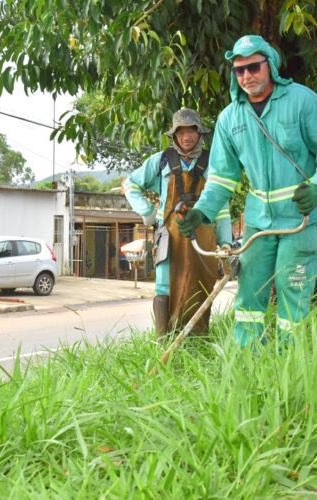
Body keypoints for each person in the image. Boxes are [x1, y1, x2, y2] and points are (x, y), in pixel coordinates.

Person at [176, 35, 317, 347]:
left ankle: (290, 370)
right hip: (258, 222)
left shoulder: (303, 101)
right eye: (239, 71)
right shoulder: (230, 118)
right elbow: (222, 177)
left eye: (253, 67)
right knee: (249, 293)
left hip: (302, 218)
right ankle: (247, 364)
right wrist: (202, 211)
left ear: (271, 65)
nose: (246, 76)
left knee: (292, 292)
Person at [124, 109, 232, 339]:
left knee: (202, 286)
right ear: (174, 135)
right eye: (181, 131)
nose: (186, 136)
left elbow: (222, 206)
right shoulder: (162, 160)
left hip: (204, 235)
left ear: (199, 133)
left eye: (191, 130)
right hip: (169, 236)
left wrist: (225, 244)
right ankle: (163, 341)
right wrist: (147, 211)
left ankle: (197, 342)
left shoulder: (213, 162)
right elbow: (131, 184)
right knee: (164, 288)